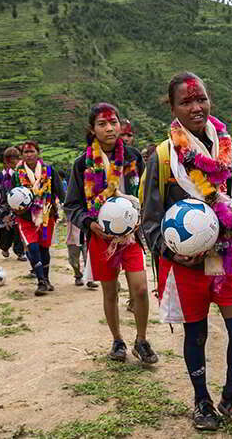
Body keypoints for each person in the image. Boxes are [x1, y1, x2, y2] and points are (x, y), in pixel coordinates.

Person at [141, 73, 232, 433]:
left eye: (202, 99)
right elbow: (149, 220)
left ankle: (230, 395)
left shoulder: (227, 149)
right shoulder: (164, 158)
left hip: (226, 259)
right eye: (186, 102)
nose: (196, 107)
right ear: (174, 108)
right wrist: (170, 251)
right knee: (196, 336)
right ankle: (201, 401)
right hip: (185, 268)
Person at [64, 103, 158, 365]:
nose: (109, 128)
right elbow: (72, 205)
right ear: (92, 129)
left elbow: (143, 194)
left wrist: (141, 217)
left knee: (139, 289)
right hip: (99, 239)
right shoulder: (82, 163)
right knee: (110, 292)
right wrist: (90, 224)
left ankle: (141, 340)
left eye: (113, 122)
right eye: (102, 124)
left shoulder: (132, 157)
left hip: (130, 238)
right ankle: (117, 340)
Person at [12, 140, 65, 296]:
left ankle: (46, 279)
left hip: (46, 215)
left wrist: (67, 207)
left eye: (32, 151)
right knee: (33, 247)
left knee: (44, 248)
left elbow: (59, 190)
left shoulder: (49, 170)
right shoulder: (17, 174)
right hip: (26, 217)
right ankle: (40, 281)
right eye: (26, 152)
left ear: (38, 153)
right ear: (22, 155)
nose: (29, 155)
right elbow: (11, 193)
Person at [119, 117, 145, 313]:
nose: (126, 138)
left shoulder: (135, 156)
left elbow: (143, 184)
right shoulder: (99, 157)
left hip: (134, 215)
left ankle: (133, 297)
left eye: (129, 134)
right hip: (109, 216)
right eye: (123, 134)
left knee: (133, 259)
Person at [0, 147, 26, 261]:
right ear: (5, 161)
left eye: (15, 159)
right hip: (3, 209)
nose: (13, 162)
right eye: (10, 160)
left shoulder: (21, 174)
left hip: (17, 207)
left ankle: (19, 252)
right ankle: (5, 247)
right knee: (5, 231)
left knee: (18, 231)